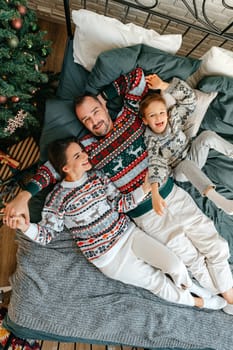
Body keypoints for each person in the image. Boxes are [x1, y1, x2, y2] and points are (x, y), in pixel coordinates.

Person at [4, 67, 233, 314]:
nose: (94, 121)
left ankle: (229, 297)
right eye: (86, 120)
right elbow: (55, 167)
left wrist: (103, 96)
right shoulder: (86, 149)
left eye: (95, 111)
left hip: (171, 193)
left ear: (104, 106)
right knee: (192, 259)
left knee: (216, 246)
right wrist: (23, 196)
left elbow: (135, 77)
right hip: (146, 215)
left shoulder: (131, 116)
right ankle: (229, 300)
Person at [3, 137, 228, 311]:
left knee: (176, 266)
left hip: (129, 234)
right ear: (65, 168)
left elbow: (121, 204)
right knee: (157, 283)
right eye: (78, 155)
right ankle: (200, 303)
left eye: (82, 151)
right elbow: (47, 235)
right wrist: (25, 227)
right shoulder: (57, 199)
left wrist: (144, 189)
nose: (85, 155)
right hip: (108, 257)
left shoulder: (98, 178)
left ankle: (196, 289)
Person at [139, 73, 233, 216]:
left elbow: (189, 99)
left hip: (192, 153)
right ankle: (220, 200)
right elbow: (155, 163)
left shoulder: (174, 118)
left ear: (166, 113)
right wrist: (155, 192)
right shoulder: (151, 139)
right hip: (180, 170)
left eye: (161, 113)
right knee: (186, 165)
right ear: (145, 120)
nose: (158, 117)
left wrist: (163, 85)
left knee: (207, 135)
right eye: (152, 115)